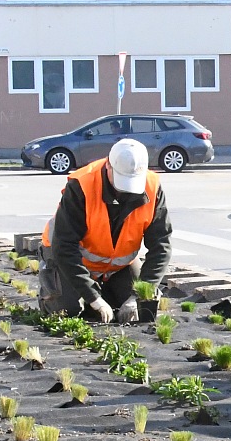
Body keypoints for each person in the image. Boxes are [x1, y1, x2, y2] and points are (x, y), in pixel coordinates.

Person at [39, 138, 173, 324]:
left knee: (142, 308)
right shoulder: (82, 185)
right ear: (108, 165)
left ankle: (106, 291)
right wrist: (94, 299)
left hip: (118, 265)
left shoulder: (152, 187)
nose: (126, 190)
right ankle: (54, 295)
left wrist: (136, 296)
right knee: (67, 310)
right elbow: (64, 247)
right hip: (69, 260)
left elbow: (161, 246)